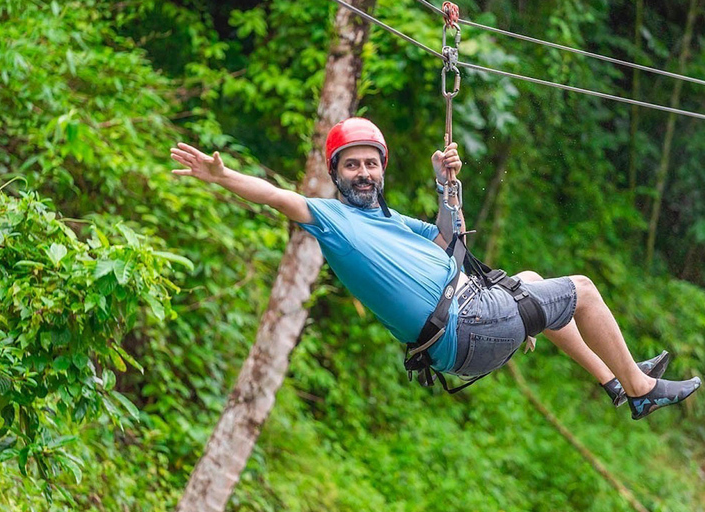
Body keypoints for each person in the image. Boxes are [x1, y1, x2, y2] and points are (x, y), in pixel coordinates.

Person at [170, 117, 700, 420]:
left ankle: (615, 383)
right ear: (335, 173)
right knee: (581, 289)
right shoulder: (330, 219)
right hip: (468, 328)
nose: (362, 172)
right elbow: (275, 196)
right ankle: (640, 388)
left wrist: (447, 186)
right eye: (351, 164)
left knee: (535, 282)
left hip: (469, 327)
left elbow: (453, 244)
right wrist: (224, 177)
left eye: (370, 163)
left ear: (381, 170)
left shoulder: (399, 223)